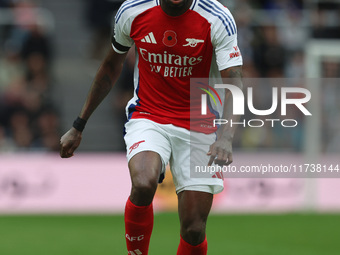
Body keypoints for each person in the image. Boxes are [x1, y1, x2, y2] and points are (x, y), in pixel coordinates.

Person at [60, 0, 243, 254]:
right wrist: (78, 125)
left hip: (200, 125)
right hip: (149, 115)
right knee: (144, 182)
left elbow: (234, 81)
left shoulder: (217, 17)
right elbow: (111, 65)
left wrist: (226, 136)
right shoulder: (133, 10)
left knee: (193, 228)